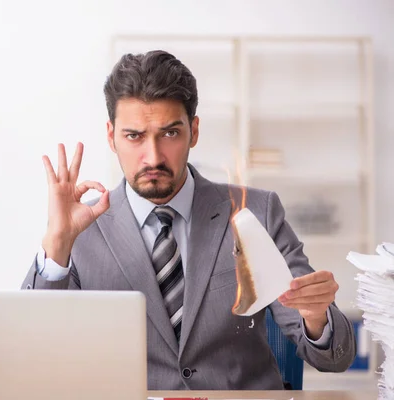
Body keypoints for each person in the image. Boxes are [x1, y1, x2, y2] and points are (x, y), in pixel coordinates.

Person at [20, 50, 356, 390]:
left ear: (193, 131)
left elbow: (334, 357)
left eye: (169, 134)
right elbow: (33, 354)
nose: (152, 157)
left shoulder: (257, 212)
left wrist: (315, 316)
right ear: (111, 137)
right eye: (134, 136)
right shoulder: (81, 231)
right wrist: (57, 244)